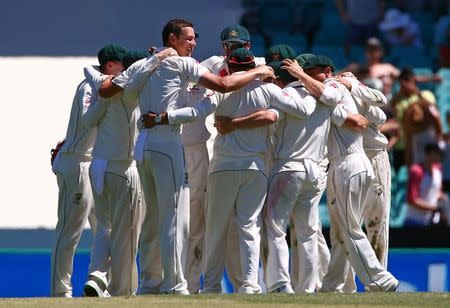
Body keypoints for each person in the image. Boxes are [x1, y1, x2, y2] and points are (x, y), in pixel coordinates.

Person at [97, 19, 275, 294]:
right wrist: (259, 71)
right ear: (172, 39)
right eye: (188, 39)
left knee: (153, 218)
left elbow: (108, 90)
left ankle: (148, 283)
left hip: (143, 145)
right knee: (172, 217)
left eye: (195, 38)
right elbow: (224, 85)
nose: (193, 44)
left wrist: (153, 58)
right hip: (167, 143)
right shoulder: (184, 64)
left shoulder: (143, 65)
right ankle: (177, 284)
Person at [282, 55, 399, 292]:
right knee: (339, 232)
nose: (302, 76)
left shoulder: (332, 86)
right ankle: (333, 285)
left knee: (349, 229)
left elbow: (352, 110)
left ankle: (380, 279)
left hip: (348, 164)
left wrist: (300, 76)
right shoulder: (326, 89)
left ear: (325, 71)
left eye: (308, 71)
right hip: (349, 164)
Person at [202, 47, 314, 294]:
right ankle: (250, 285)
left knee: (215, 228)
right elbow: (304, 110)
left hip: (223, 165)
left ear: (229, 67)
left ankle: (210, 287)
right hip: (254, 167)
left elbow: (201, 107)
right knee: (249, 227)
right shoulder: (269, 89)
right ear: (253, 65)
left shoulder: (220, 90)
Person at [81, 46, 172, 296]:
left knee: (105, 229)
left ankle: (97, 275)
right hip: (123, 170)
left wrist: (103, 85)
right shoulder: (131, 92)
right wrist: (157, 58)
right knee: (126, 236)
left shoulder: (103, 94)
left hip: (98, 167)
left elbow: (89, 119)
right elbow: (140, 73)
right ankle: (121, 292)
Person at [200, 24, 266, 292]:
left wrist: (234, 123)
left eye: (237, 46)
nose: (233, 50)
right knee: (241, 227)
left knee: (230, 227)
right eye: (229, 45)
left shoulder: (260, 69)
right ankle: (233, 285)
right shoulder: (220, 73)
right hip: (239, 162)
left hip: (241, 162)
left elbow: (274, 113)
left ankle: (239, 284)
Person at [50, 47, 103, 298]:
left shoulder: (104, 86)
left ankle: (98, 283)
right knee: (70, 231)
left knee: (105, 228)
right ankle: (61, 292)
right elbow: (87, 119)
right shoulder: (90, 87)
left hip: (93, 164)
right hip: (78, 164)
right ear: (110, 65)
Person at [391, 67, 443, 167]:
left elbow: (435, 115)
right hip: (403, 145)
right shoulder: (397, 101)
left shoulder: (425, 94)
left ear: (413, 81)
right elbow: (394, 113)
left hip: (427, 143)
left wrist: (416, 91)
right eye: (402, 83)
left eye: (408, 81)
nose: (405, 86)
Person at [405, 143, 450, 226]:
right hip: (414, 222)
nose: (442, 156)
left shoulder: (438, 170)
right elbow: (412, 200)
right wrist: (433, 208)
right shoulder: (416, 171)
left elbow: (437, 193)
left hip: (432, 223)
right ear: (431, 153)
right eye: (439, 153)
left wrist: (444, 199)